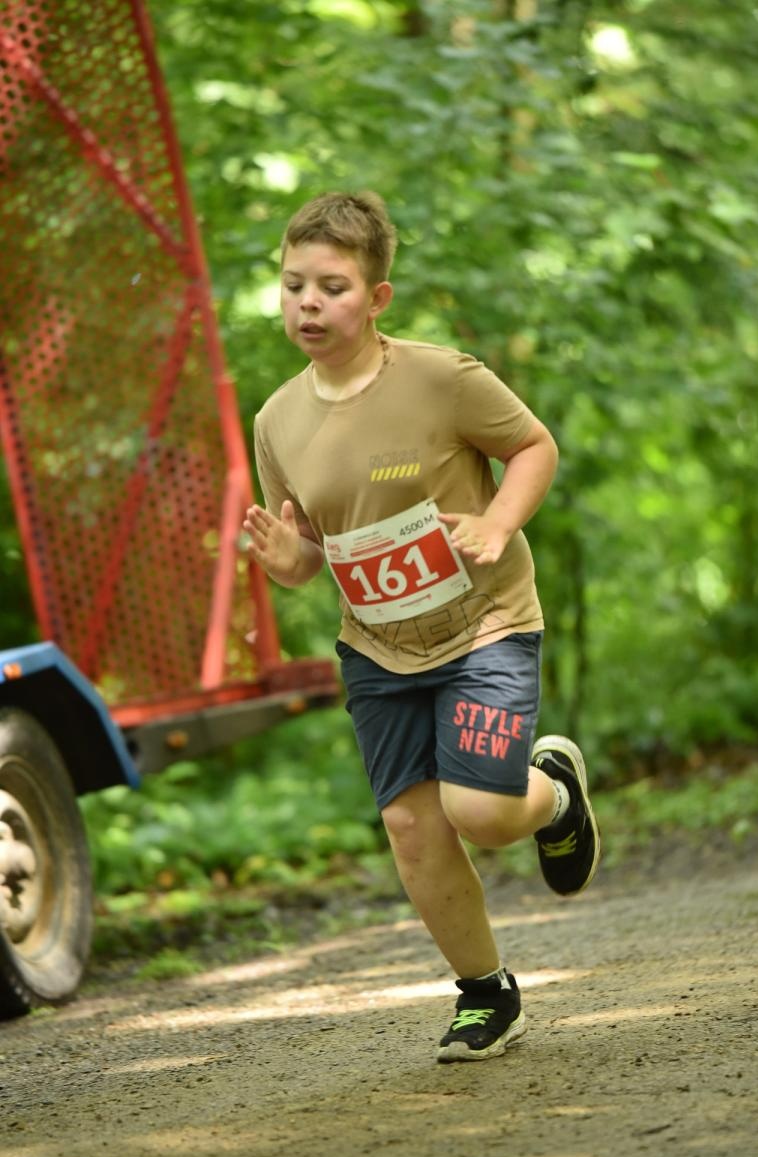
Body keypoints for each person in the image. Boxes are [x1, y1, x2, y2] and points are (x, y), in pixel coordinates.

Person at [244, 191, 600, 1064]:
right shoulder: (276, 421)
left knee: (477, 809)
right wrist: (286, 559)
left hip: (485, 623)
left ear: (376, 298)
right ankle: (485, 993)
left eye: (331, 286)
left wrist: (497, 524)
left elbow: (533, 447)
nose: (309, 303)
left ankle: (550, 791)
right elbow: (312, 556)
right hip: (377, 646)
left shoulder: (442, 378)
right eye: (294, 285)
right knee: (412, 826)